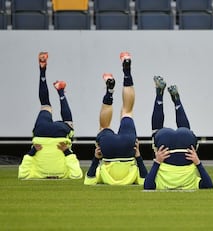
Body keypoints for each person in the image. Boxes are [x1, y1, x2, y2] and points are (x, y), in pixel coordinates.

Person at [84, 52, 148, 186]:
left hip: (128, 147)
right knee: (105, 127)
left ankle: (126, 72)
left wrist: (138, 155)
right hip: (109, 150)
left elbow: (144, 178)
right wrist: (96, 158)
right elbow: (89, 180)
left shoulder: (130, 179)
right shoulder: (105, 178)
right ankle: (110, 91)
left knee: (127, 111)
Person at [18, 52, 83, 180]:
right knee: (45, 105)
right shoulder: (36, 175)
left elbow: (77, 175)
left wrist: (66, 151)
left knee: (68, 123)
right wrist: (32, 152)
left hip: (59, 137)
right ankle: (42, 70)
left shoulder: (64, 175)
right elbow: (22, 174)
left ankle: (60, 92)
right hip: (41, 134)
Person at [143, 76, 213, 190]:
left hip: (183, 148)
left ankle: (176, 101)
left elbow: (209, 185)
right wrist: (157, 161)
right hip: (166, 148)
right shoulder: (162, 184)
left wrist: (197, 161)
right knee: (157, 131)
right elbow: (148, 186)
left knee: (185, 132)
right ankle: (162, 95)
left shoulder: (191, 184)